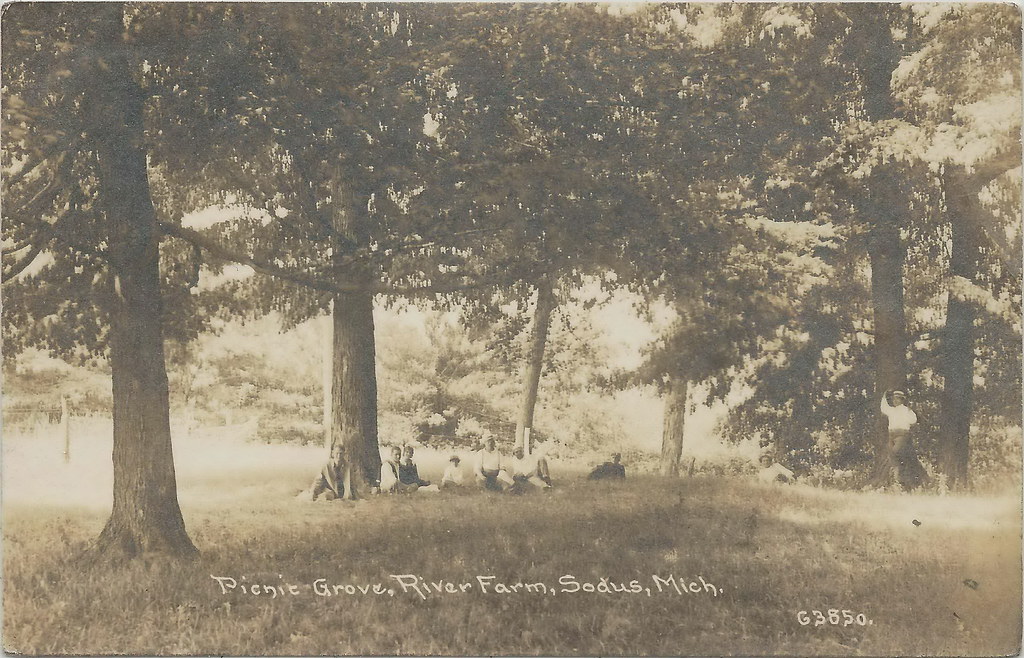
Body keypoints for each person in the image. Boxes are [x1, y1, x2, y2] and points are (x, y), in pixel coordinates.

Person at [880, 389, 928, 490]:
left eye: (896, 399)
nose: (894, 401)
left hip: (902, 435)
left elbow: (913, 420)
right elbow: (883, 408)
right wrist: (884, 396)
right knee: (893, 456)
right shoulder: (892, 410)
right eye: (893, 399)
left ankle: (902, 479)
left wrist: (910, 412)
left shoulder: (906, 410)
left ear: (901, 400)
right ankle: (898, 480)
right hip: (891, 436)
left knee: (895, 452)